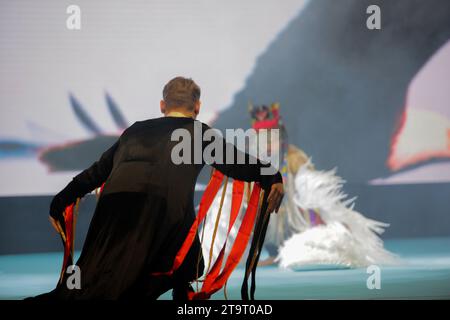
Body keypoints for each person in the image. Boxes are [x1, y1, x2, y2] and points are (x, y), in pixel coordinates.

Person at [32, 77, 284, 300]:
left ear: (162, 106)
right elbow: (236, 162)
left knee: (99, 280)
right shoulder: (197, 133)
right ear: (197, 107)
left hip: (111, 214)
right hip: (161, 213)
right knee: (185, 264)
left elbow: (96, 173)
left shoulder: (135, 131)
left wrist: (60, 200)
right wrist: (272, 176)